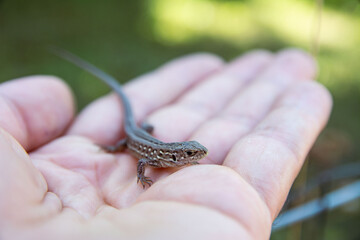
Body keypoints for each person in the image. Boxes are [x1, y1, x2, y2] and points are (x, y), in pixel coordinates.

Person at [0, 49, 332, 239]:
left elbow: (176, 155)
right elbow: (142, 163)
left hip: (141, 132)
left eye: (193, 154)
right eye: (190, 154)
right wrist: (138, 176)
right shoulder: (157, 157)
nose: (196, 157)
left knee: (139, 129)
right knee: (127, 140)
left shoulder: (170, 155)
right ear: (176, 154)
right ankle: (120, 141)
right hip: (133, 138)